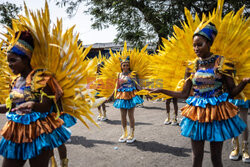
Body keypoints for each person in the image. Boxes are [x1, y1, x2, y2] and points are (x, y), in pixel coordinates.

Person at [148, 23, 249, 167]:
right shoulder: (191, 66)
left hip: (217, 114)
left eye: (199, 45)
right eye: (194, 45)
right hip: (197, 114)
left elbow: (231, 93)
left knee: (216, 158)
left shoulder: (223, 62)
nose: (196, 49)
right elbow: (183, 93)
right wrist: (162, 91)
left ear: (208, 43)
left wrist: (243, 83)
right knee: (197, 157)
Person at [0, 31, 71, 167]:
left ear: (26, 59)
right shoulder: (15, 81)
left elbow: (45, 105)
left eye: (13, 60)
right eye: (8, 61)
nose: (10, 65)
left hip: (39, 133)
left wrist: (31, 104)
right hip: (16, 132)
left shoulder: (42, 77)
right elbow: (11, 106)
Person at [108, 56, 143, 143]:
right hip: (121, 96)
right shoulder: (119, 75)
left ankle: (132, 134)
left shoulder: (132, 75)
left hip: (131, 96)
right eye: (124, 65)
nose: (126, 67)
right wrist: (111, 96)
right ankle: (124, 133)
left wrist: (145, 92)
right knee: (122, 116)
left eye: (127, 65)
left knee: (130, 116)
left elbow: (137, 85)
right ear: (121, 66)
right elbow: (116, 86)